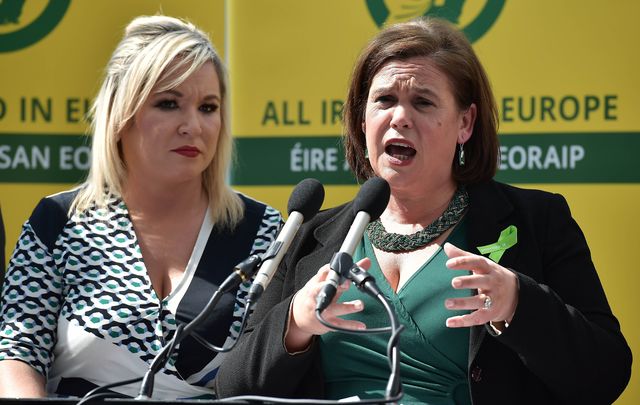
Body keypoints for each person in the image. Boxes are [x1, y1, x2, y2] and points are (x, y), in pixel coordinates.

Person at [215, 17, 632, 404]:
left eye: (423, 102)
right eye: (384, 100)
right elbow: (231, 388)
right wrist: (294, 324)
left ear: (465, 123)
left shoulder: (535, 220)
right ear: (362, 121)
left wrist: (518, 305)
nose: (399, 117)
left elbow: (606, 376)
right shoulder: (314, 235)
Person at [0, 15, 281, 399]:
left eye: (208, 107)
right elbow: (15, 357)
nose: (192, 126)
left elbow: (270, 369)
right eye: (169, 104)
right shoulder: (60, 222)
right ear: (121, 115)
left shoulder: (262, 228)